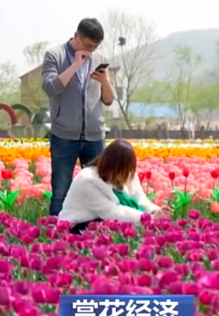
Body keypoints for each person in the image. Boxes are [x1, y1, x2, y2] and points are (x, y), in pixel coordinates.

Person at [41, 18, 115, 217]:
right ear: (76, 37)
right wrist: (75, 65)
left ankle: (93, 236)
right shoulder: (54, 55)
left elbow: (108, 100)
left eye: (96, 46)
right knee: (61, 190)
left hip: (94, 136)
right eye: (88, 45)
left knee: (100, 190)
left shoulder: (99, 59)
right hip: (64, 135)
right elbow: (50, 88)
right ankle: (55, 235)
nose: (91, 50)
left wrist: (105, 81)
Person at [58, 139, 163, 234]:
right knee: (117, 227)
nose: (126, 175)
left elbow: (140, 199)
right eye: (122, 170)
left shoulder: (129, 175)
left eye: (129, 170)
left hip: (110, 221)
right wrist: (147, 218)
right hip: (82, 225)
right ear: (110, 165)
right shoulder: (87, 181)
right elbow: (111, 212)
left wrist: (155, 211)